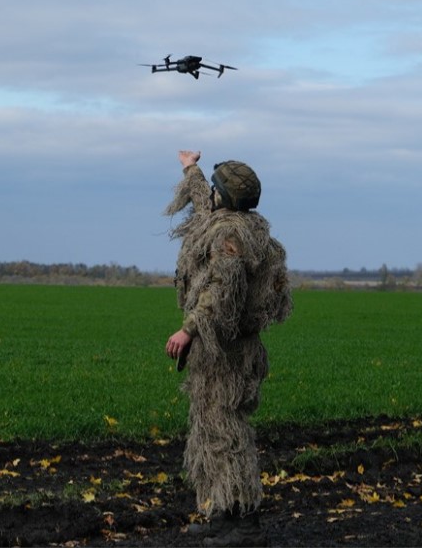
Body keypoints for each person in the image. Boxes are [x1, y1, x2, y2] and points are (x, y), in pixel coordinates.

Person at [164, 150, 293, 547]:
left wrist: (188, 329)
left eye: (215, 189)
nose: (211, 195)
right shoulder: (232, 222)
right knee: (210, 433)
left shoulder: (230, 236)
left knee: (228, 435)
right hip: (218, 352)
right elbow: (205, 204)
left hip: (229, 354)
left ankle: (246, 525)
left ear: (226, 197)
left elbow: (223, 287)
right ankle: (223, 513)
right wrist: (191, 168)